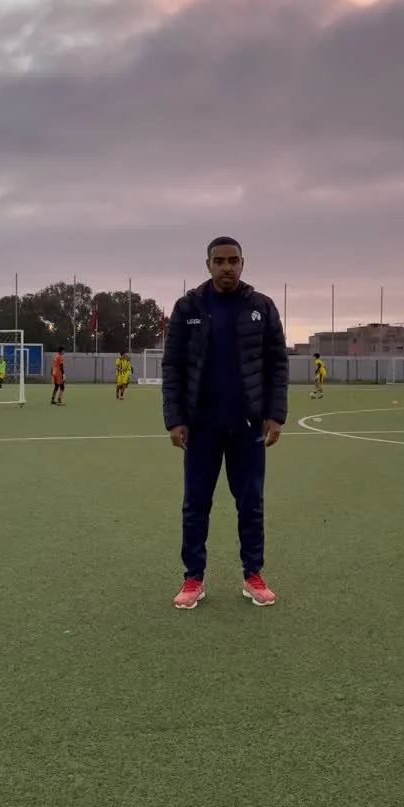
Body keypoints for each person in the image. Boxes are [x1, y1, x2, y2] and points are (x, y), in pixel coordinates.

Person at [162, 236, 288, 610]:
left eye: (233, 260)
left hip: (247, 427)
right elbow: (173, 366)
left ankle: (253, 575)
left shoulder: (261, 307)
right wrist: (175, 419)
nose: (227, 267)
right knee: (195, 505)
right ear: (208, 265)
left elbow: (277, 364)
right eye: (219, 261)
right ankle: (193, 578)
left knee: (250, 505)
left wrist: (275, 414)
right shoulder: (188, 307)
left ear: (243, 263)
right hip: (201, 427)